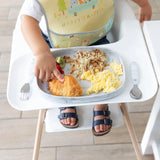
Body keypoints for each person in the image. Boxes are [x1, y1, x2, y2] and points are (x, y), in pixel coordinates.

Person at [20, 0, 152, 136]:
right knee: (57, 73)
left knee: (102, 67)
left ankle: (101, 102)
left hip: (95, 38)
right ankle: (66, 98)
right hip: (57, 44)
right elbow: (27, 19)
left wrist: (144, 4)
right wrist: (41, 52)